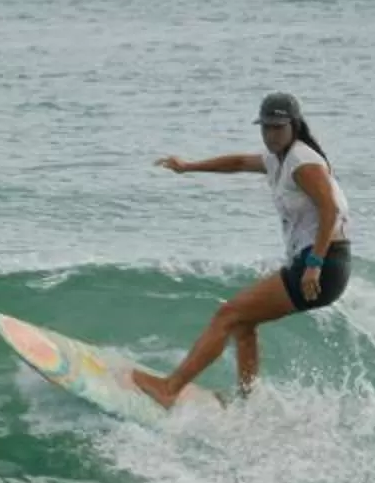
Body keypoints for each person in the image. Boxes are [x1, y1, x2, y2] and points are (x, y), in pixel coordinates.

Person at [135, 90, 353, 408]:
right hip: (319, 262)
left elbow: (330, 211)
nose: (271, 134)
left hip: (324, 263)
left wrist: (314, 263)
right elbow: (237, 162)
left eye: (278, 127)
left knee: (228, 314)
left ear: (295, 125)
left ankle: (170, 389)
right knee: (244, 322)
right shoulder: (279, 158)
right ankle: (247, 400)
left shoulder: (303, 162)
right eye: (265, 127)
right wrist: (189, 167)